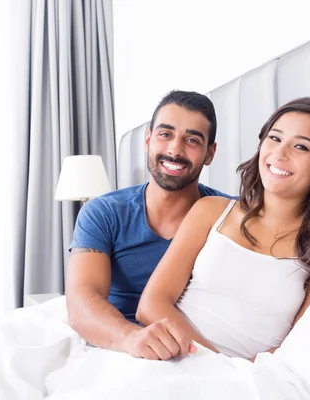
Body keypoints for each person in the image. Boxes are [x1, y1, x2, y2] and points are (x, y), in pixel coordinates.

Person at [136, 97, 310, 361]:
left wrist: (237, 377)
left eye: (301, 146)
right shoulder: (211, 210)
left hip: (252, 378)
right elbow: (151, 305)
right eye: (275, 139)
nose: (280, 153)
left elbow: (304, 338)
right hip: (175, 358)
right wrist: (213, 363)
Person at [65, 90, 232, 360]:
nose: (174, 150)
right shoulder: (103, 212)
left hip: (203, 352)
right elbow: (82, 298)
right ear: (148, 140)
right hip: (121, 346)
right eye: (165, 134)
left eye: (191, 140)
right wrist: (131, 337)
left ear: (210, 153)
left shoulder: (232, 216)